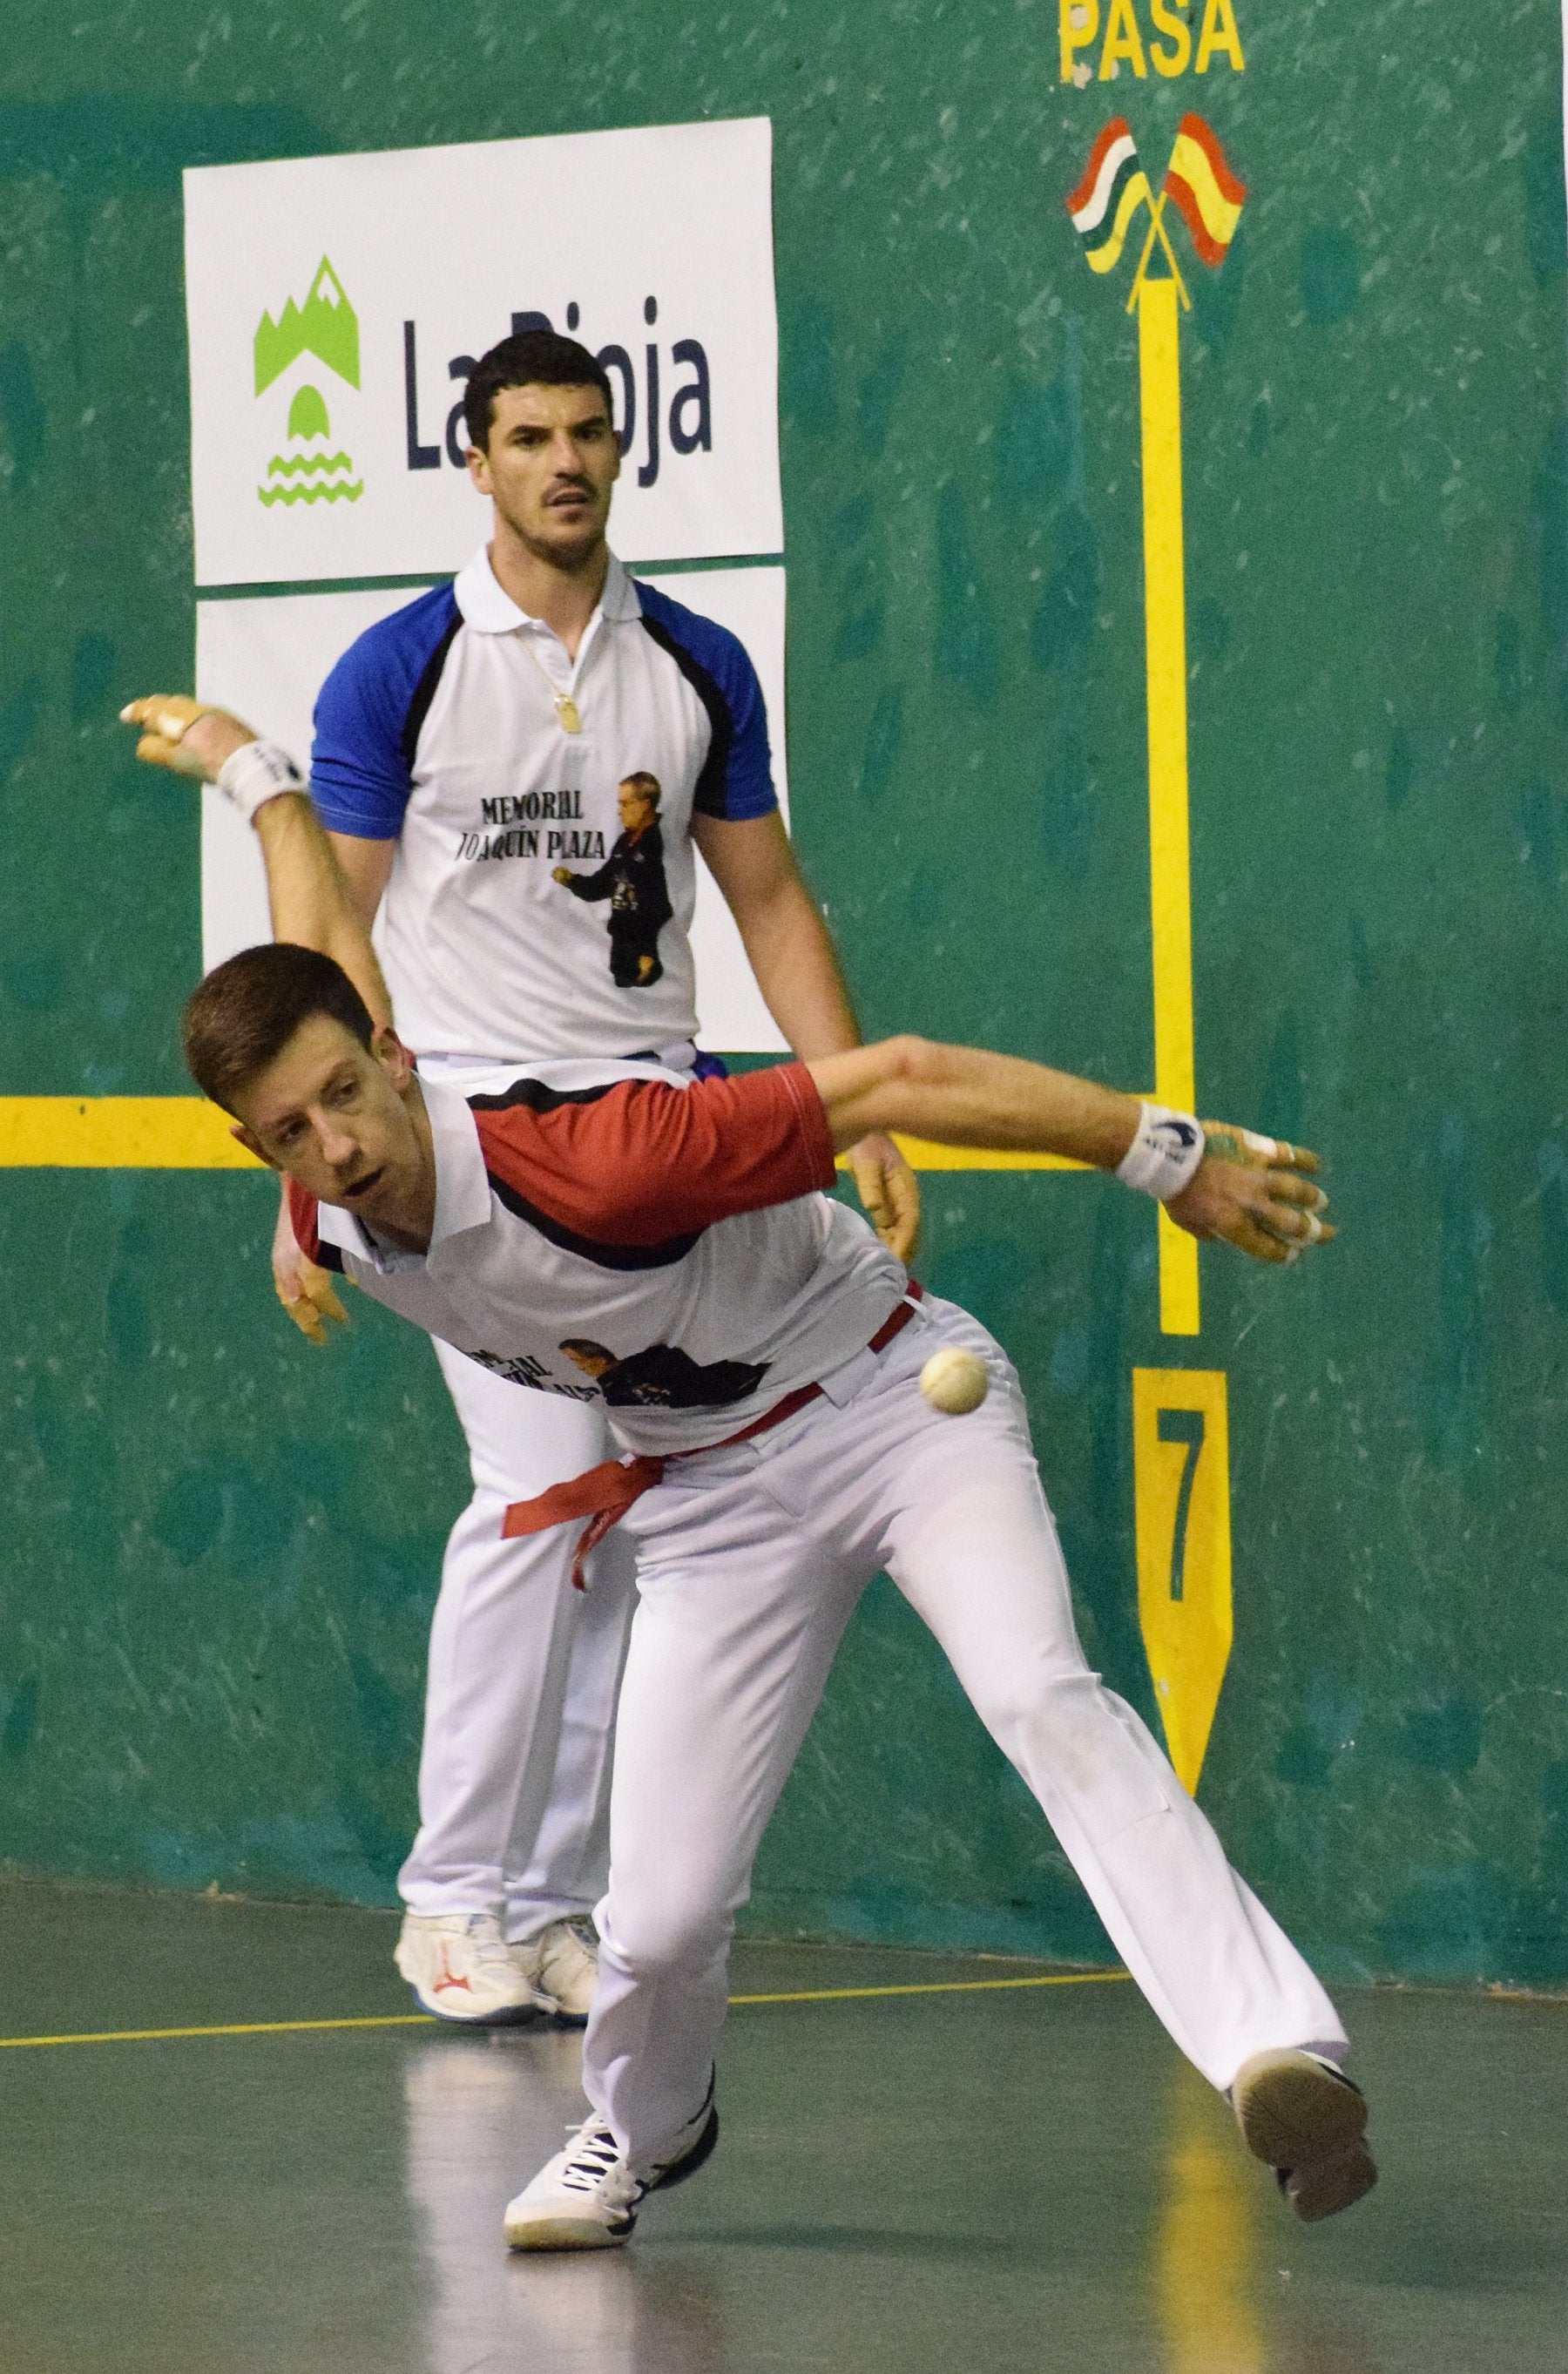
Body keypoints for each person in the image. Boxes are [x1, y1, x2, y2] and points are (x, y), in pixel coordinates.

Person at [125, 693, 1375, 2250]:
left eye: (345, 1099)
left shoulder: (608, 1154)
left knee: (1040, 1692)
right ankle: (642, 2130)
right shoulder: (327, 1203)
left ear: (397, 1058)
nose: (334, 1147)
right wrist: (259, 787)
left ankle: (1281, 2050)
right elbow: (321, 944)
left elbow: (902, 1074)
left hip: (897, 1406)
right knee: (655, 1918)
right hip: (713, 1495)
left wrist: (1168, 1158)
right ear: (259, 1152)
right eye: (287, 1137)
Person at [272, 329, 920, 2024]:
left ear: (621, 452)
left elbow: (770, 902)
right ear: (473, 460)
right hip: (468, 1158)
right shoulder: (398, 670)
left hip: (651, 1149)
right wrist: (314, 1183)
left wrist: (859, 1115)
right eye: (529, 435)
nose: (565, 460)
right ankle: (451, 1896)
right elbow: (327, 944)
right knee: (546, 1489)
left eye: (589, 433)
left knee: (625, 1512)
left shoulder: (694, 661)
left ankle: (548, 1901)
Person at [551, 772, 673, 989]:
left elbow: (654, 902)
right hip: (621, 934)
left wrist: (646, 949)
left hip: (642, 940)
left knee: (642, 981)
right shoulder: (624, 844)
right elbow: (602, 885)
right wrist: (572, 881)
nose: (620, 812)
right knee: (621, 978)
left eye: (626, 804)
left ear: (645, 805)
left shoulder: (652, 847)